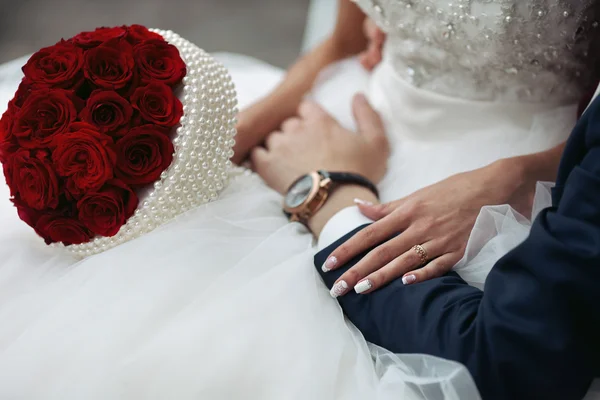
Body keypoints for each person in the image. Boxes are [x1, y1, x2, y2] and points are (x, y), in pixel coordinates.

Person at [0, 1, 598, 399]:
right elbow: (344, 34)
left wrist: (518, 175)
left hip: (518, 158)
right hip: (352, 104)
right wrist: (284, 97)